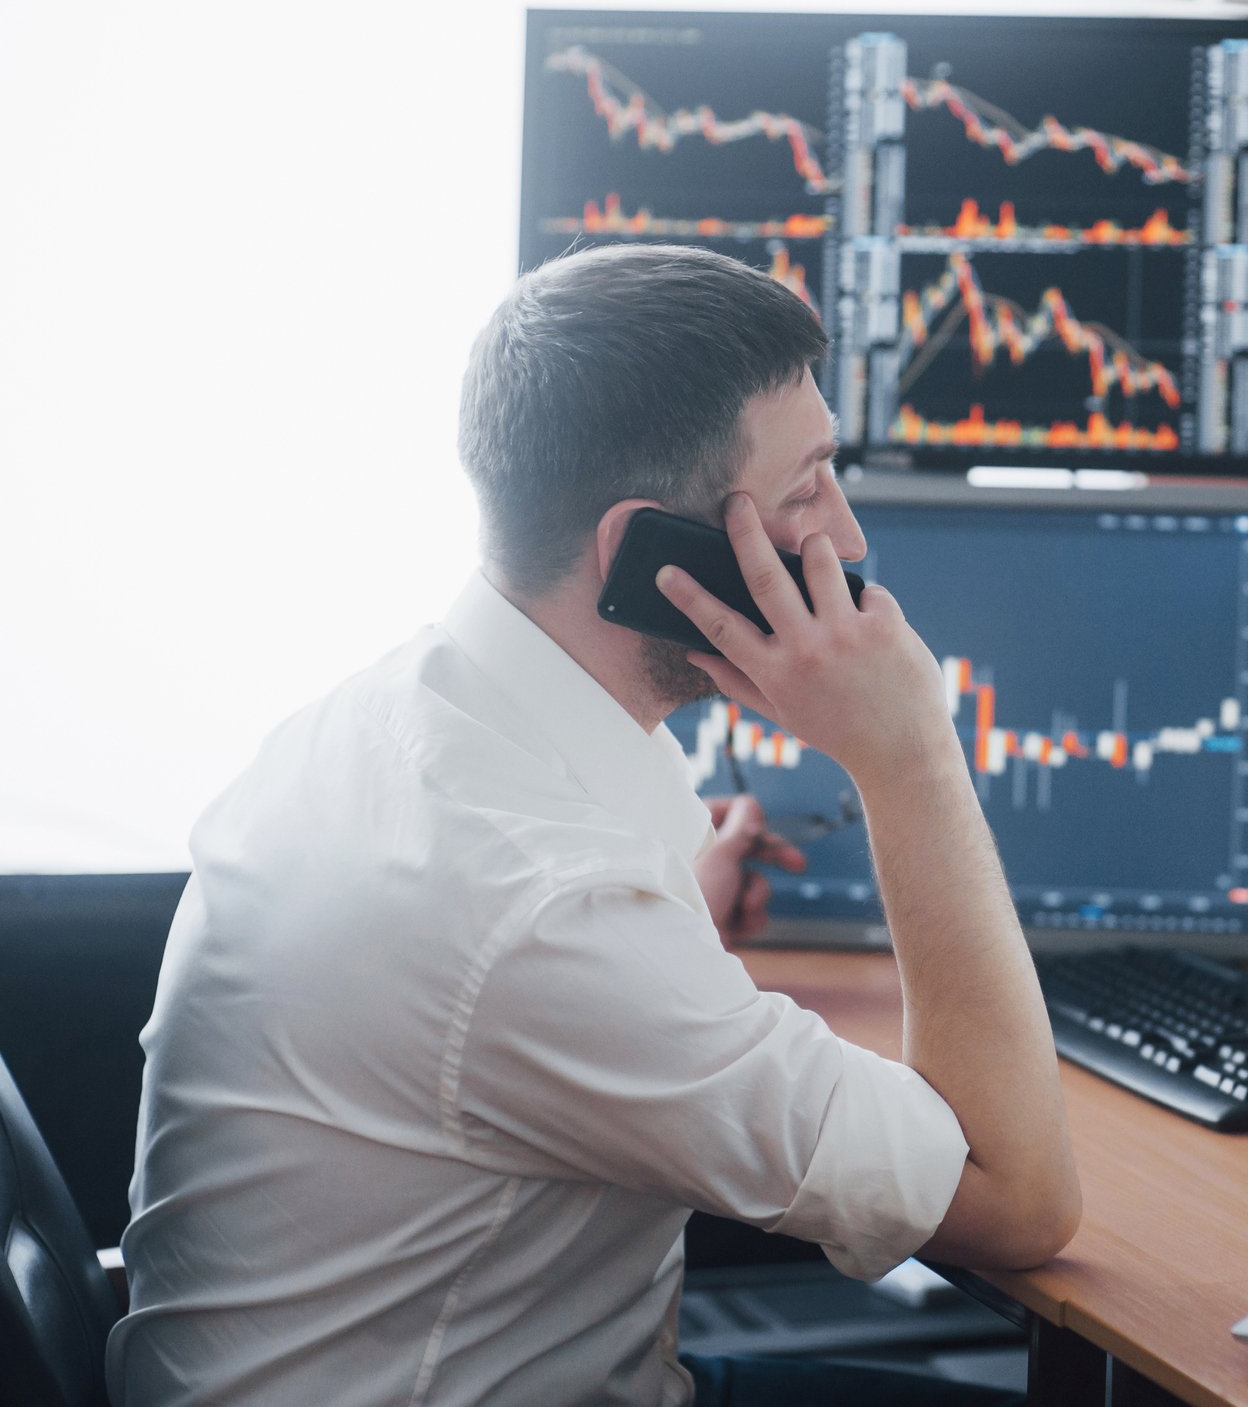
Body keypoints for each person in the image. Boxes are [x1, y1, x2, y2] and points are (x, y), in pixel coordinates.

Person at [107, 243, 1080, 1406]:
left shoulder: (416, 711)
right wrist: (911, 753)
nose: (849, 539)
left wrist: (673, 911)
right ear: (646, 557)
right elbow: (1015, 1198)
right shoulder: (542, 909)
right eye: (806, 489)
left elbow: (508, 978)